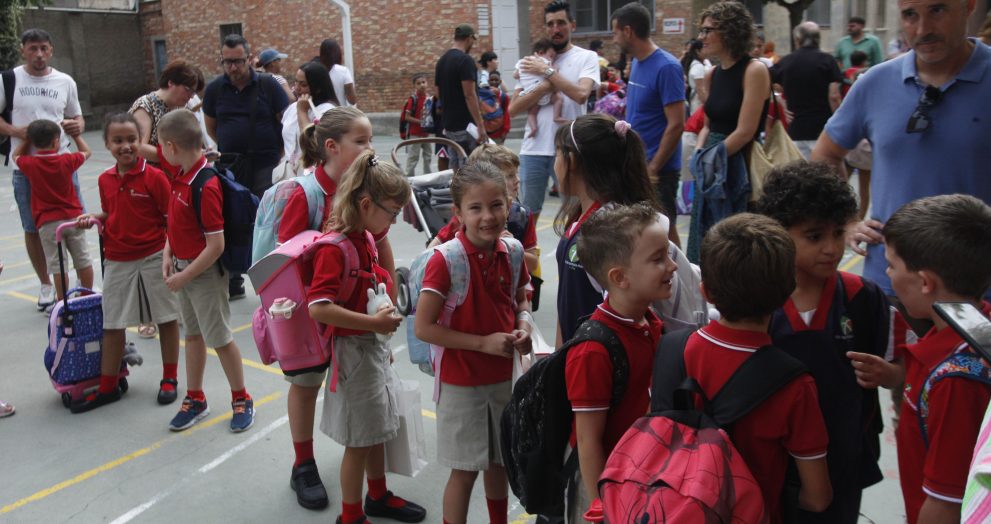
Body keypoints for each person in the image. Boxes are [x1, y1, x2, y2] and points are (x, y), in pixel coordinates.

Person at [812, 0, 991, 313]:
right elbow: (825, 154)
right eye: (910, 15)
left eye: (937, 10)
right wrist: (847, 221)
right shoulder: (875, 81)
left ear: (969, 6)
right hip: (891, 288)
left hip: (979, 294)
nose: (922, 29)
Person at [757, 162, 902, 523]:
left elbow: (901, 368)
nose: (832, 248)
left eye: (838, 233)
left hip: (845, 456)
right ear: (779, 233)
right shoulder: (757, 298)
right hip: (774, 461)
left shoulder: (862, 297)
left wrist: (889, 375)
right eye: (814, 236)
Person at [279, 107, 399, 511]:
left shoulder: (369, 185)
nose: (370, 148)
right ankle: (303, 463)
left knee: (368, 406)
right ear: (331, 146)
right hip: (314, 310)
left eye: (370, 140)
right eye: (361, 141)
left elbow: (380, 241)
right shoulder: (306, 193)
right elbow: (288, 258)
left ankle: (376, 491)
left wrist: (388, 293)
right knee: (306, 384)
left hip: (357, 318)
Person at [854, 195, 991, 523]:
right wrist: (897, 377)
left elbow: (946, 503)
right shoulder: (966, 331)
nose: (887, 273)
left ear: (926, 282)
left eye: (891, 265)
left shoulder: (956, 381)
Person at [307, 149, 426, 524]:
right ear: (365, 204)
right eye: (391, 212)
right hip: (354, 355)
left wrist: (379, 328)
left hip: (372, 349)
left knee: (378, 428)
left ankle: (377, 495)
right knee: (358, 442)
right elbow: (318, 308)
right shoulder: (336, 248)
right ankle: (350, 515)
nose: (394, 220)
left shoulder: (366, 238)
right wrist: (373, 325)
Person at [691, 213, 833, 523]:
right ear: (787, 291)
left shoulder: (677, 350)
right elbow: (817, 497)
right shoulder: (795, 386)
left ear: (706, 291)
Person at [414, 160, 533, 524]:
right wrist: (483, 344)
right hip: (461, 384)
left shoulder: (513, 252)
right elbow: (424, 328)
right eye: (476, 207)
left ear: (509, 204)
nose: (488, 216)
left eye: (496, 205)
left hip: (503, 379)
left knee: (499, 463)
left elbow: (521, 301)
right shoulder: (446, 260)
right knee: (464, 471)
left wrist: (524, 326)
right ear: (458, 213)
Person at [565, 203, 677, 523]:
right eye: (658, 259)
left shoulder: (649, 322)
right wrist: (602, 507)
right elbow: (588, 441)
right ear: (620, 277)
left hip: (641, 476)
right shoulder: (593, 350)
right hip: (606, 488)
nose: (672, 266)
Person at [71, 113, 182, 412]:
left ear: (140, 141)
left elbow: (170, 219)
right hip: (117, 258)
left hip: (153, 256)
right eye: (118, 140)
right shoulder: (105, 179)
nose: (126, 146)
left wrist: (170, 255)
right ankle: (108, 387)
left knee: (166, 318)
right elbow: (112, 213)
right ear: (107, 144)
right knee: (112, 323)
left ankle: (169, 378)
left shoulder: (154, 177)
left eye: (132, 139)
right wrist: (95, 218)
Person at [157, 109, 255, 433]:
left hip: (204, 276)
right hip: (183, 272)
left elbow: (216, 245)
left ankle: (241, 398)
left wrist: (184, 276)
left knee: (220, 338)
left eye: (161, 146)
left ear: (171, 147)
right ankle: (196, 397)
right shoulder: (181, 177)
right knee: (193, 336)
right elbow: (175, 224)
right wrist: (169, 252)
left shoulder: (205, 184)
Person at [553, 114, 660, 345]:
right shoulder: (581, 219)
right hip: (576, 357)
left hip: (600, 358)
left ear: (572, 160)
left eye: (557, 154)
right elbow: (566, 304)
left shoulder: (610, 230)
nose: (554, 163)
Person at [0, 28, 86, 312]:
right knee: (33, 227)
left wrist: (77, 126)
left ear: (51, 50)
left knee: (75, 221)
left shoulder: (65, 81)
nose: (39, 54)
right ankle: (46, 284)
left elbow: (77, 117)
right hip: (26, 169)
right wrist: (16, 131)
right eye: (33, 48)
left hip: (62, 166)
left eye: (43, 48)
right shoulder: (8, 80)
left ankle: (82, 284)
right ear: (23, 50)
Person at [203, 33, 290, 299]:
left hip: (265, 163)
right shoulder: (215, 89)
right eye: (227, 62)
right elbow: (212, 126)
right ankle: (234, 278)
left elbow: (286, 121)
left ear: (249, 59)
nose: (233, 67)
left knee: (266, 221)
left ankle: (271, 280)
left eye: (238, 61)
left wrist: (279, 153)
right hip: (231, 165)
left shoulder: (268, 85)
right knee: (232, 220)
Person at [685, 1, 770, 263]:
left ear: (731, 32)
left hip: (737, 163)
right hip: (711, 162)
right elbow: (708, 125)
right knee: (705, 234)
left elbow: (746, 131)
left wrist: (711, 157)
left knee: (733, 241)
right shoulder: (712, 73)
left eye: (708, 30)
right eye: (701, 30)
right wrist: (700, 152)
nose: (701, 37)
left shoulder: (754, 70)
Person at [509, 1, 600, 223]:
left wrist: (547, 72)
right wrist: (545, 85)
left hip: (570, 149)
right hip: (533, 150)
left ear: (573, 25)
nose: (555, 29)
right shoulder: (532, 61)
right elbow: (513, 109)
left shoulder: (586, 57)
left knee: (575, 215)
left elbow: (581, 94)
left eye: (561, 23)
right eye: (550, 24)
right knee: (526, 216)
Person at [612, 2, 685, 248]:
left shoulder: (667, 67)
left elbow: (676, 124)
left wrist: (653, 168)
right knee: (643, 232)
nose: (614, 39)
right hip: (638, 164)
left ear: (628, 31)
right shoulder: (637, 63)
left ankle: (683, 273)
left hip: (658, 170)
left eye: (615, 32)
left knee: (665, 231)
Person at [12, 119, 93, 302]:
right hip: (73, 218)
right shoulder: (66, 160)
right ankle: (87, 296)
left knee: (59, 267)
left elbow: (15, 156)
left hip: (48, 223)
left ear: (34, 143)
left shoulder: (31, 164)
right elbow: (87, 152)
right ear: (56, 141)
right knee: (83, 260)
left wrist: (26, 140)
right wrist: (76, 136)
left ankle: (63, 301)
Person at [430, 144, 539, 278]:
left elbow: (533, 263)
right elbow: (431, 251)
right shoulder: (466, 219)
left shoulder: (522, 215)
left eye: (516, 173)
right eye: (510, 176)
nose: (517, 180)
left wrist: (513, 250)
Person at [770, 22, 842, 158]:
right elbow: (834, 96)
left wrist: (780, 100)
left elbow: (764, 81)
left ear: (797, 39)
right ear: (818, 39)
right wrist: (840, 121)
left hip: (796, 129)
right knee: (825, 170)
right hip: (822, 130)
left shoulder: (786, 62)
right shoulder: (828, 60)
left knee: (800, 170)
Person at [435, 24, 488, 167]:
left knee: (455, 167)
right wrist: (480, 125)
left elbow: (438, 93)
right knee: (470, 168)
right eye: (473, 40)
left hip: (449, 126)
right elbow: (469, 95)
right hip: (467, 126)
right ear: (469, 38)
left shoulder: (442, 61)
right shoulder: (465, 60)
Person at [128, 60, 200, 166]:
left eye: (193, 92)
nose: (192, 96)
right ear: (171, 83)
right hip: (148, 174)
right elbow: (138, 147)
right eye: (187, 89)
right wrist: (178, 156)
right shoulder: (145, 105)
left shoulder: (180, 107)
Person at [281, 61, 336, 179]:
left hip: (312, 175)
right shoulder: (292, 108)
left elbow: (312, 142)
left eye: (303, 85)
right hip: (289, 174)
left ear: (318, 88)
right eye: (296, 82)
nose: (297, 88)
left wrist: (302, 111)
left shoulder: (327, 110)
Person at [515, 39, 566, 139]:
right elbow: (552, 74)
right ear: (541, 53)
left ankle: (533, 128)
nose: (552, 59)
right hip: (545, 93)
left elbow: (516, 75)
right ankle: (556, 116)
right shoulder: (543, 62)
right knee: (558, 98)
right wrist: (555, 68)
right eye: (551, 56)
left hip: (531, 94)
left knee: (531, 113)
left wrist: (522, 75)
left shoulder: (523, 62)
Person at [402, 73, 434, 176]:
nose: (422, 85)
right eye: (418, 83)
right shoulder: (413, 99)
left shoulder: (429, 98)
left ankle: (428, 176)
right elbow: (407, 117)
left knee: (428, 156)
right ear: (414, 86)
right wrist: (421, 122)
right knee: (413, 157)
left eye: (423, 82)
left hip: (426, 133)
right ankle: (409, 178)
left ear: (427, 83)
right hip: (415, 134)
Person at [320, 39, 357, 107]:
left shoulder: (315, 70)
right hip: (339, 111)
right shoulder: (343, 71)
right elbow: (352, 100)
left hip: (320, 111)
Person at [681, 39, 709, 113]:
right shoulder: (698, 67)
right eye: (704, 47)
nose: (707, 50)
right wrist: (709, 105)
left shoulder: (702, 63)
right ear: (698, 51)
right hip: (699, 104)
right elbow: (700, 90)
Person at [485, 72, 512, 145]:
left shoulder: (504, 97)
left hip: (498, 134)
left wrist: (505, 130)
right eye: (491, 80)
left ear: (500, 81)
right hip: (485, 133)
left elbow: (506, 114)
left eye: (496, 80)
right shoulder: (483, 95)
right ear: (488, 81)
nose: (494, 82)